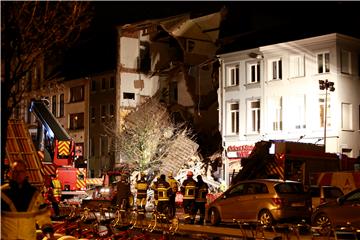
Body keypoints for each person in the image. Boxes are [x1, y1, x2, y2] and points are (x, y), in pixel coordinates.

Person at [1, 160, 55, 240]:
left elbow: (44, 218)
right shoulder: (2, 193)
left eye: (21, 171)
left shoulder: (34, 194)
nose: (18, 174)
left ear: (26, 173)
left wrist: (49, 234)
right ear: (10, 173)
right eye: (15, 171)